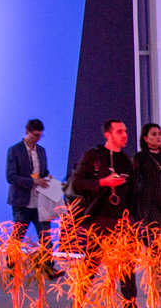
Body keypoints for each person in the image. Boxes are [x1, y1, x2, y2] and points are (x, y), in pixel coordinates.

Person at [69, 119, 136, 304]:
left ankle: (130, 302)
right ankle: (78, 300)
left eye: (125, 131)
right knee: (92, 262)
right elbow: (76, 183)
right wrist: (102, 182)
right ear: (109, 135)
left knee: (127, 263)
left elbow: (131, 191)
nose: (125, 135)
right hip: (100, 218)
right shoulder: (94, 155)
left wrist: (132, 216)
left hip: (122, 220)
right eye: (120, 131)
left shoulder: (125, 160)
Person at [5, 119, 62, 278]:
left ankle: (48, 267)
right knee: (17, 236)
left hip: (40, 202)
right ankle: (12, 266)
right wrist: (32, 182)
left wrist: (49, 180)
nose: (37, 138)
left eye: (40, 135)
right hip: (22, 202)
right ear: (27, 131)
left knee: (45, 236)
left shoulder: (42, 151)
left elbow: (43, 171)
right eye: (35, 135)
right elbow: (11, 177)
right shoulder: (14, 151)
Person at [135, 122, 161, 233]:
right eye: (154, 134)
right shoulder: (140, 157)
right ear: (146, 138)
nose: (158, 137)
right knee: (156, 233)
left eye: (159, 134)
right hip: (151, 201)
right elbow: (135, 181)